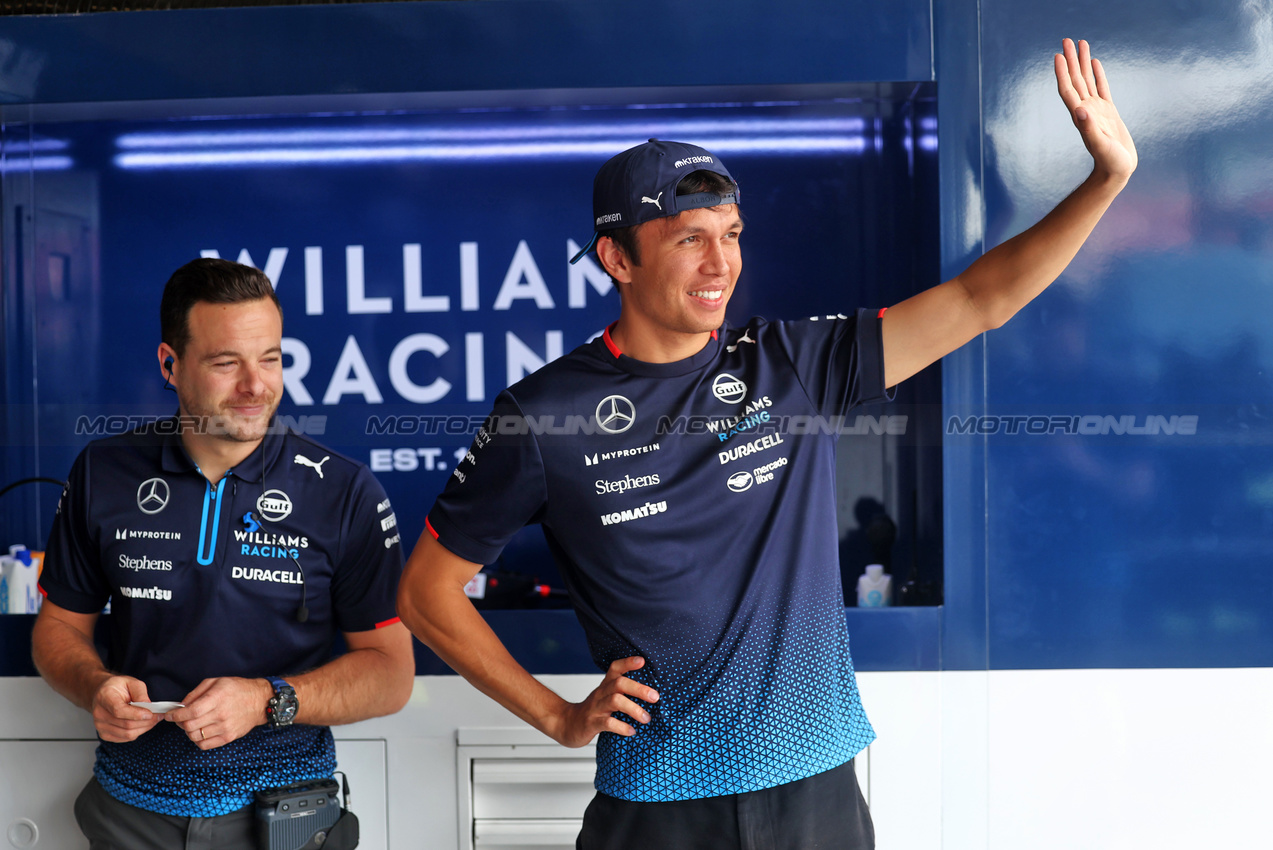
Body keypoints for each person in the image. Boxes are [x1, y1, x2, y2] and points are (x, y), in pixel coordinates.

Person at [396, 38, 1135, 848]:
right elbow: (426, 593)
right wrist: (557, 715)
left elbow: (978, 299)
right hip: (656, 800)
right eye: (688, 239)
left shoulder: (792, 362)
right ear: (616, 258)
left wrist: (1104, 182)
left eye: (732, 233)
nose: (721, 263)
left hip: (813, 786)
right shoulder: (541, 415)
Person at [32, 258, 415, 850]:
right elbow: (58, 628)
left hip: (285, 821)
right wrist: (95, 687)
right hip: (128, 819)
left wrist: (268, 700)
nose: (255, 386)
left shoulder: (343, 491)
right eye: (225, 362)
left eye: (270, 358)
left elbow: (391, 674)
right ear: (170, 364)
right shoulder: (102, 473)